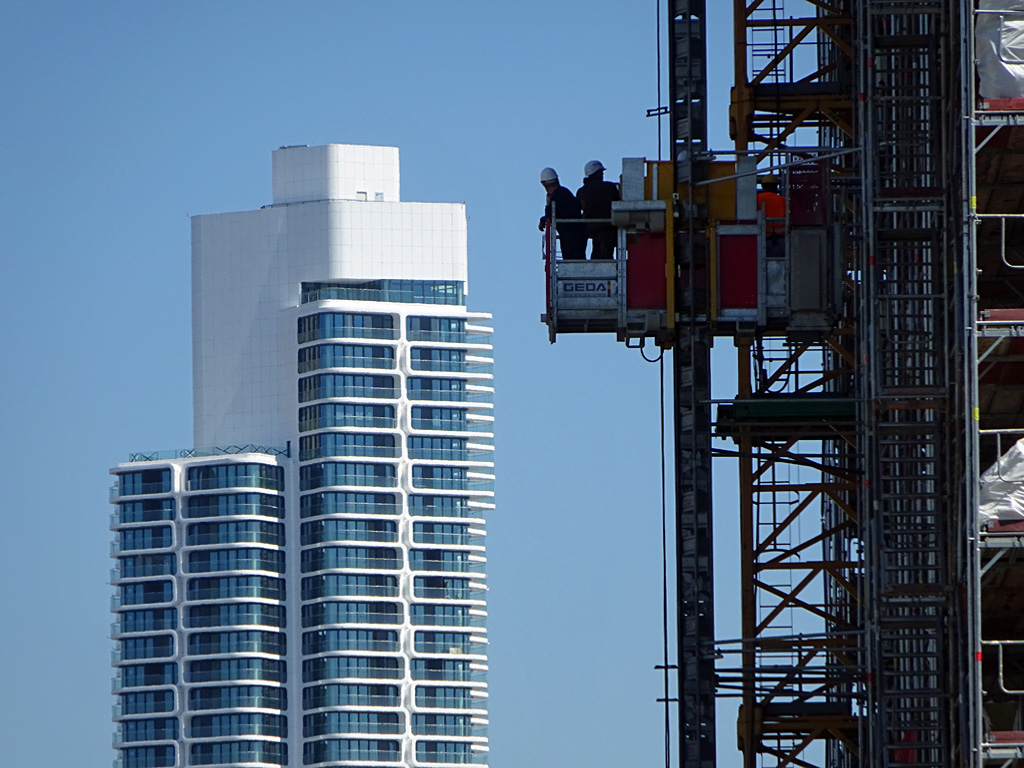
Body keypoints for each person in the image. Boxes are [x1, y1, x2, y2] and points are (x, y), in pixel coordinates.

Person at [538, 167, 586, 260]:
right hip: (578, 234)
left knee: (571, 263)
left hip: (570, 237)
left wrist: (547, 205)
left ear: (544, 185)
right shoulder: (565, 193)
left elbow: (550, 216)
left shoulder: (556, 197)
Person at [576, 160, 620, 260]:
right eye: (601, 173)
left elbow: (578, 209)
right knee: (606, 253)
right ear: (597, 174)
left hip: (591, 228)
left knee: (597, 249)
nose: (602, 175)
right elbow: (618, 203)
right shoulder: (609, 187)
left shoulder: (582, 192)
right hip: (609, 227)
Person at [756, 175, 786, 258]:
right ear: (776, 186)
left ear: (762, 186)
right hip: (781, 240)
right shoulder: (783, 200)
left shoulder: (756, 199)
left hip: (762, 239)